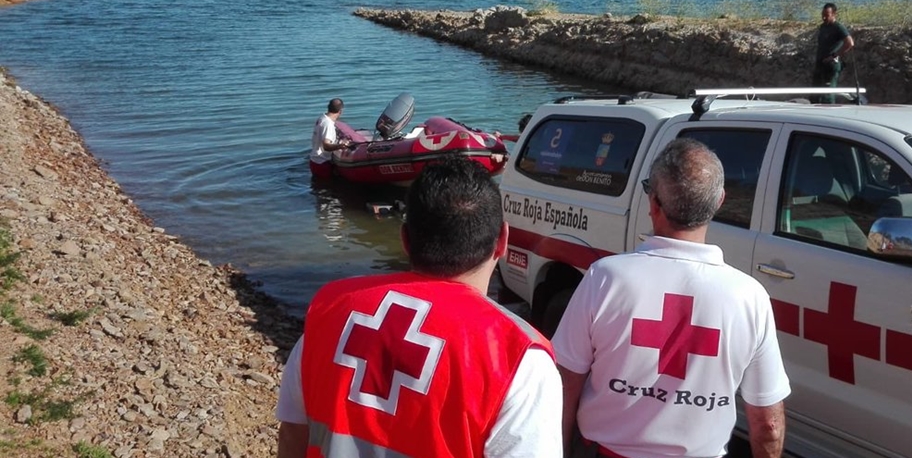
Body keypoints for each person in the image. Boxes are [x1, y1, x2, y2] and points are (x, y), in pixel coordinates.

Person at [276, 157, 563, 458]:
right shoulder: (517, 357)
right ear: (503, 240)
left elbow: (294, 431)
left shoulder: (330, 310)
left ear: (404, 239)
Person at [553, 138, 791, 458]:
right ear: (719, 201)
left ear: (653, 204)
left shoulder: (605, 279)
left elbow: (564, 384)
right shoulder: (749, 297)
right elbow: (768, 426)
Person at [811, 3, 855, 104]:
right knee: (815, 92)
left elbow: (850, 43)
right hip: (820, 63)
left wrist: (834, 56)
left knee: (828, 94)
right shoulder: (823, 27)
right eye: (823, 14)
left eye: (827, 15)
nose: (824, 17)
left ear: (834, 14)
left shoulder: (838, 27)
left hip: (830, 65)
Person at [310, 98, 352, 179]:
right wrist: (340, 146)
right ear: (340, 111)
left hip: (314, 161)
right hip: (322, 163)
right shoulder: (328, 124)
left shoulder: (322, 118)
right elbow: (326, 146)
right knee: (326, 189)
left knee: (318, 188)